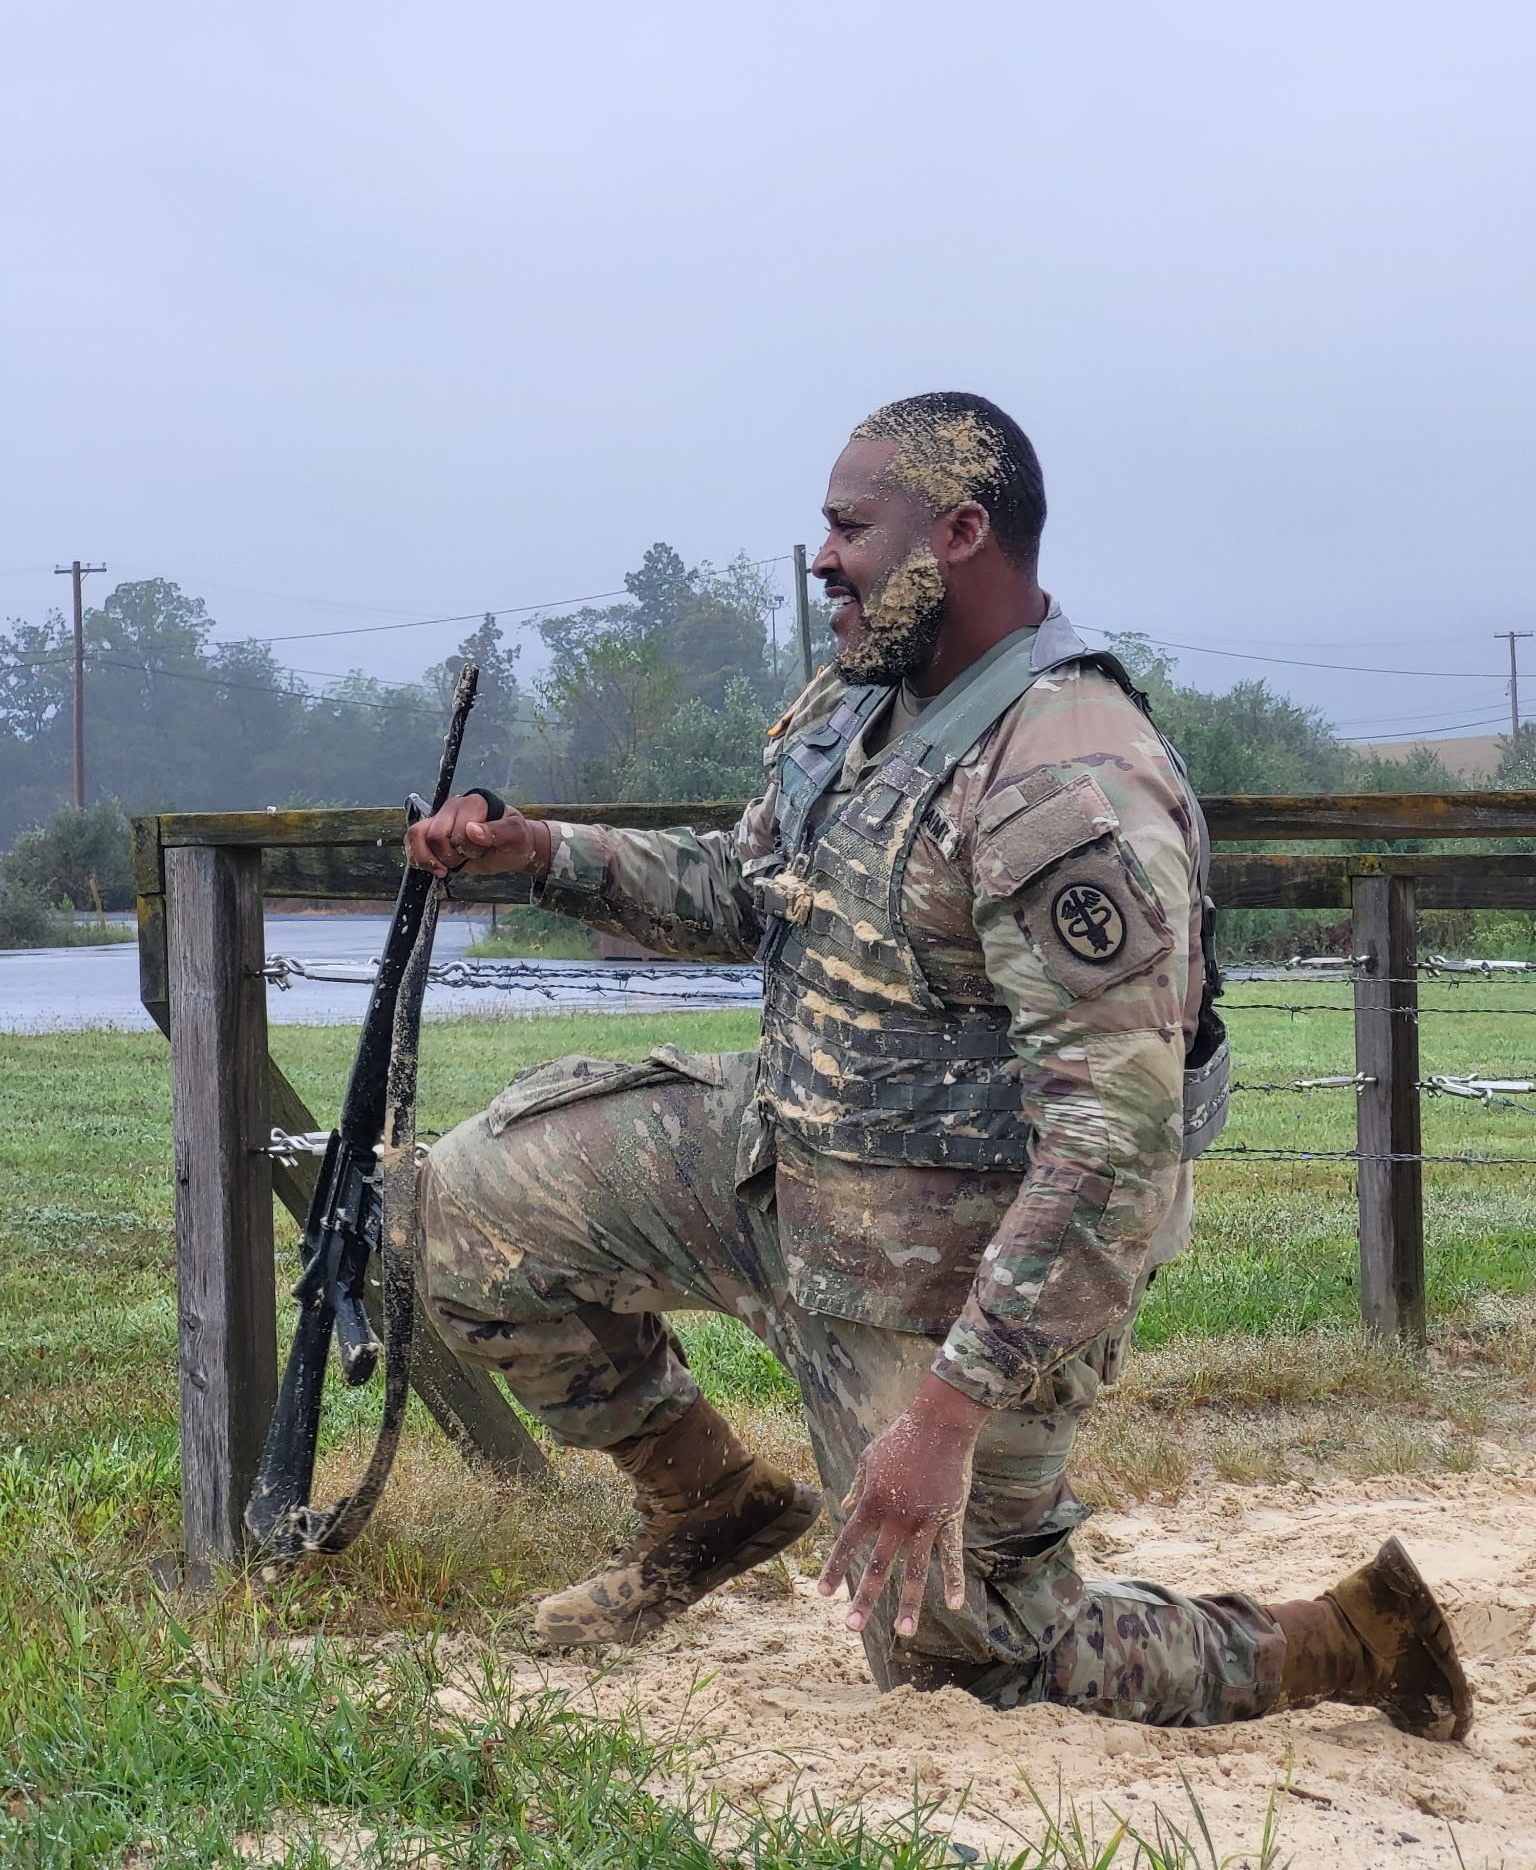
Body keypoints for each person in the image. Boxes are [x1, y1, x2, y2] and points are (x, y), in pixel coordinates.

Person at [405, 392, 1470, 1738]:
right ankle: (708, 1503)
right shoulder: (863, 714)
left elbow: (1114, 1141)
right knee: (464, 1215)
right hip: (789, 1166)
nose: (823, 559)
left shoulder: (1065, 780)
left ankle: (1347, 1643)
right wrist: (541, 855)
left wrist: (946, 1419)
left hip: (948, 1274)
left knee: (974, 1667)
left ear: (960, 533)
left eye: (851, 528)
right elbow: (748, 891)